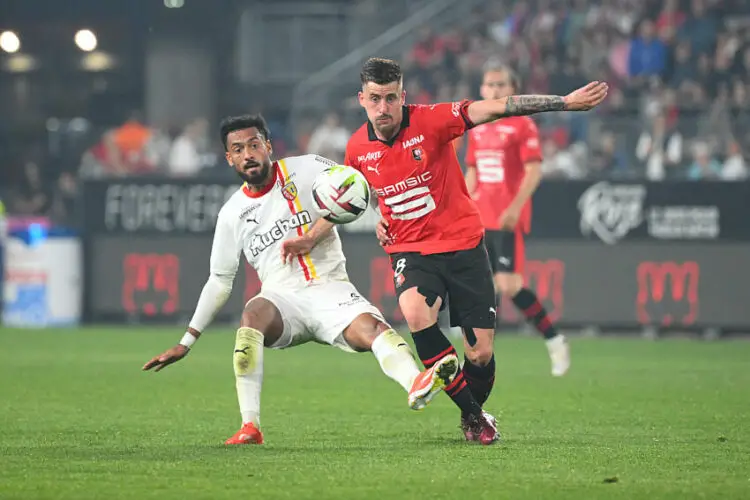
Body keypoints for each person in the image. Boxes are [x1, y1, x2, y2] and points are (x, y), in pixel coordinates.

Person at [143, 114, 459, 445]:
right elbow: (220, 280)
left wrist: (374, 210)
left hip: (332, 289)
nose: (248, 154)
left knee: (375, 330)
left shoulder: (307, 168)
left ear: (267, 145)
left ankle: (416, 384)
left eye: (254, 145)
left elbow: (355, 185)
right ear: (229, 157)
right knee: (251, 315)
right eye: (238, 149)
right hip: (283, 299)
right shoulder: (231, 214)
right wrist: (187, 341)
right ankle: (250, 427)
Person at [345, 58, 606, 445]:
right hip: (410, 250)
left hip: (464, 244)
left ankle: (473, 411)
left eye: (390, 98)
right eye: (374, 99)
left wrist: (564, 103)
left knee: (480, 354)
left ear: (403, 96)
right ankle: (473, 415)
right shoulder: (356, 148)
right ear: (361, 99)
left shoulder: (433, 120)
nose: (383, 108)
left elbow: (498, 108)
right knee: (416, 313)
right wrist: (376, 215)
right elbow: (360, 191)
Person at [464, 63, 570, 377]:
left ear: (512, 90)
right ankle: (480, 356)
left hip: (507, 219)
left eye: (500, 85)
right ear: (482, 89)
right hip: (480, 218)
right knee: (482, 285)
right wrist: (463, 204)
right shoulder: (477, 126)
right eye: (488, 85)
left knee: (509, 285)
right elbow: (473, 172)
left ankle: (554, 339)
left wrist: (516, 206)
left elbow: (534, 171)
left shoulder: (522, 126)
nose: (493, 90)